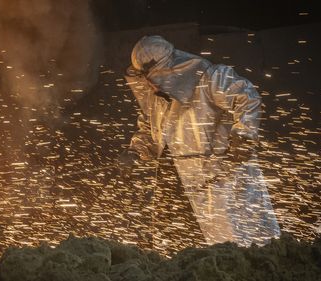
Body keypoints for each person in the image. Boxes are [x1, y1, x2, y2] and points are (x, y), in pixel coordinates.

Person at [119, 35, 281, 247]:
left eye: (153, 79)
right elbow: (151, 130)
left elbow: (246, 96)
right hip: (185, 185)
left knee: (247, 244)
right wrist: (135, 151)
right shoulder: (156, 100)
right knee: (194, 250)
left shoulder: (210, 79)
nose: (149, 86)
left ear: (169, 70)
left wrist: (243, 136)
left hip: (225, 181)